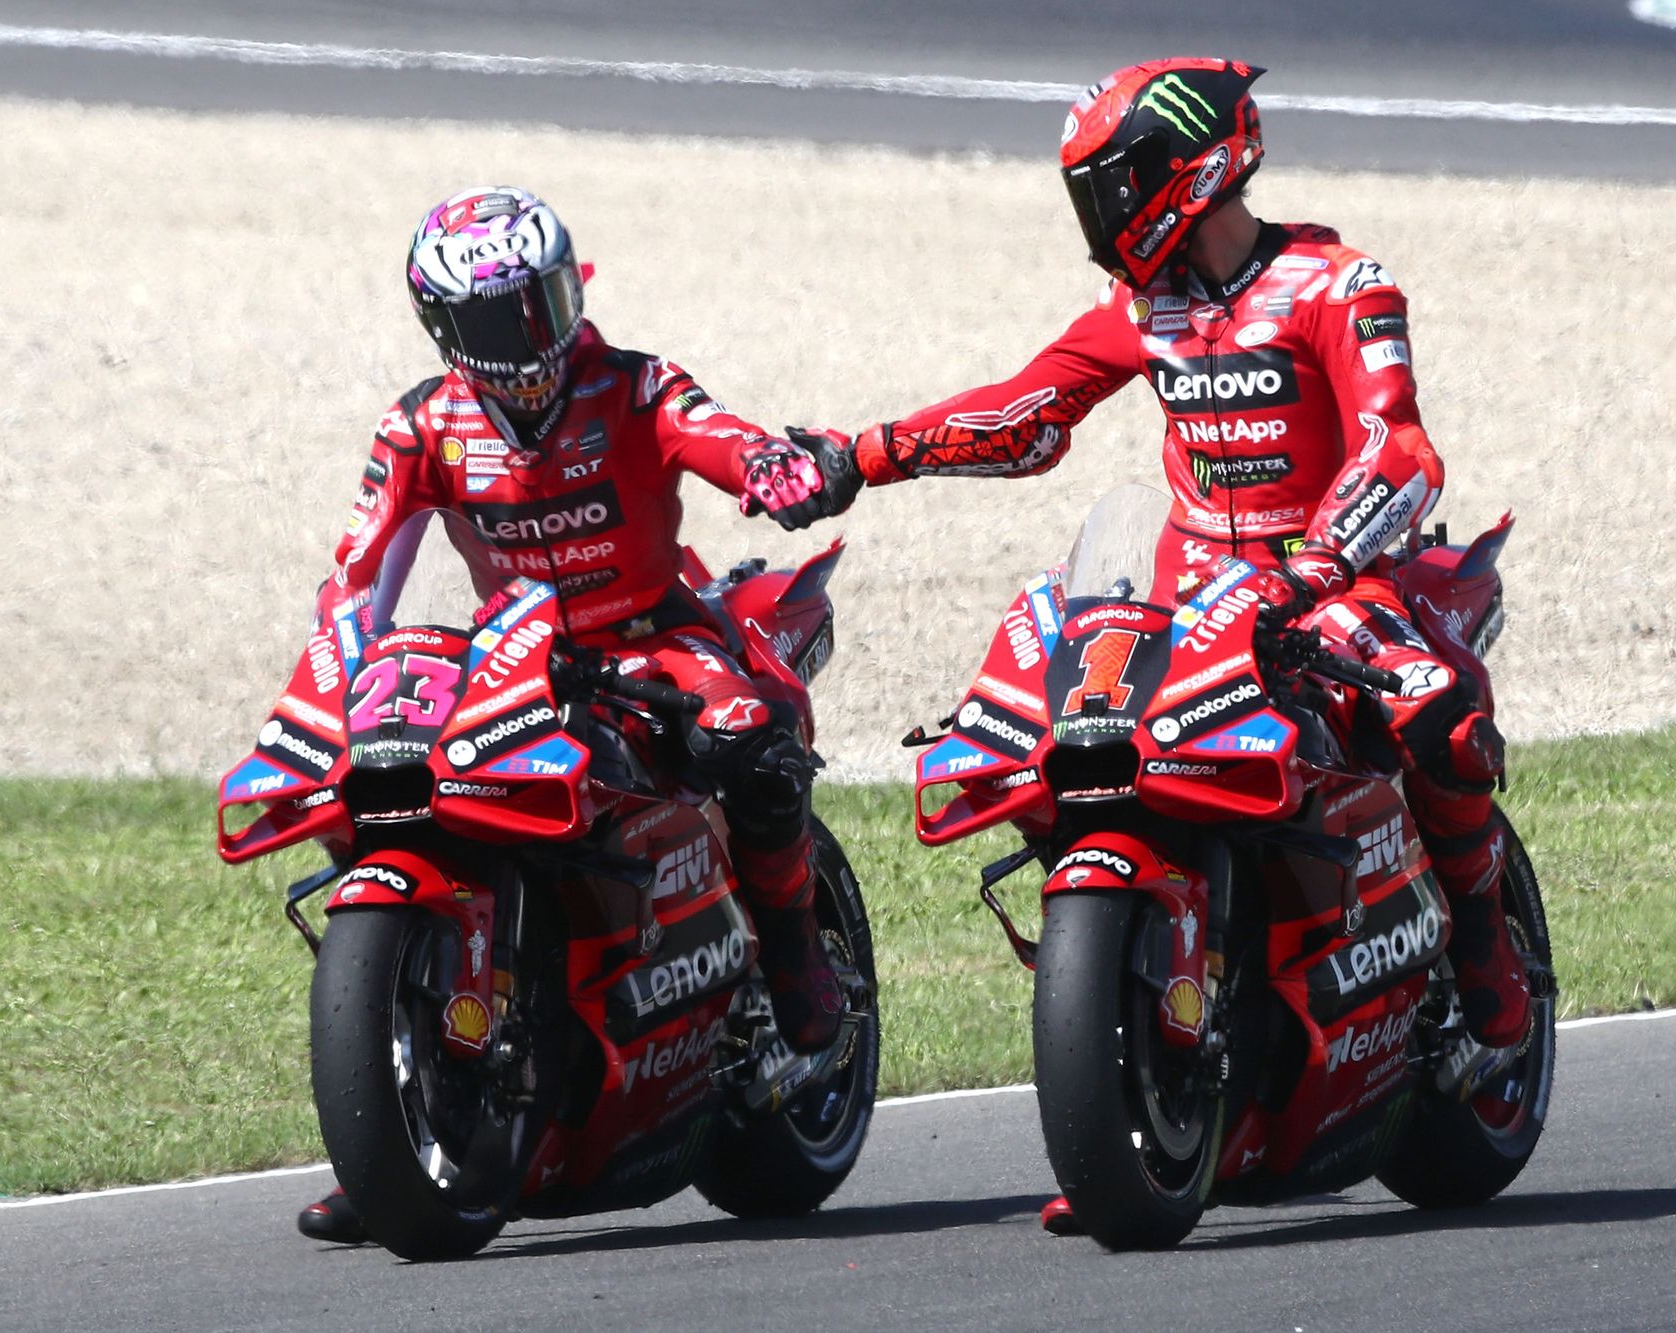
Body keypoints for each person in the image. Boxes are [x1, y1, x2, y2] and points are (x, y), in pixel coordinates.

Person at [832, 57, 1534, 1228]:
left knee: (1437, 709)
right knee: (1063, 743)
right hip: (1190, 597)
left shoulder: (1339, 284)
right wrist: (861, 454)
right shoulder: (1140, 309)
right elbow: (1024, 413)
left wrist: (1315, 567)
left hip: (1329, 580)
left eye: (1110, 188)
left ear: (1186, 172)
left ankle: (1485, 975)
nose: (1099, 218)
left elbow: (1400, 453)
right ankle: (1125, 1094)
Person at [297, 185, 862, 1243]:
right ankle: (392, 1130)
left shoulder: (634, 384)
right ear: (446, 326)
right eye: (502, 314)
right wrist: (340, 659)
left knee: (749, 742)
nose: (537, 330)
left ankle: (796, 970)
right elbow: (361, 567)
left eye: (548, 296)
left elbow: (722, 437)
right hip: (513, 659)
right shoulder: (421, 424)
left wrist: (777, 468)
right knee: (387, 788)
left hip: (656, 636)